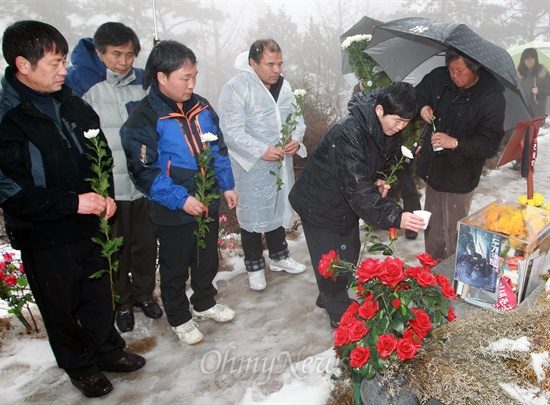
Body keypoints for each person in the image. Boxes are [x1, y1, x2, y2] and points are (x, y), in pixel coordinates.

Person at [0, 21, 145, 398]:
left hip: (90, 221)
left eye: (64, 60)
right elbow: (11, 190)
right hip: (45, 232)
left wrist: (106, 195)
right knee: (61, 304)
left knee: (97, 293)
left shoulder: (72, 104)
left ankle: (107, 350)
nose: (65, 70)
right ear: (23, 65)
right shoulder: (9, 118)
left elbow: (98, 157)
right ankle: (80, 366)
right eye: (55, 62)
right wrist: (72, 203)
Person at [121, 40, 237, 346]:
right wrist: (181, 199)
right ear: (162, 77)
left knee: (207, 257)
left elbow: (218, 149)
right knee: (174, 265)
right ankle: (179, 316)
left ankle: (204, 303)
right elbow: (144, 172)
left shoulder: (201, 106)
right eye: (184, 78)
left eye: (194, 76)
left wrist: (226, 185)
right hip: (172, 205)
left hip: (207, 196)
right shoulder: (143, 118)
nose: (192, 84)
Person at [288, 82, 425, 328]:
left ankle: (327, 295)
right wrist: (398, 216)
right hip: (319, 203)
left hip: (344, 203)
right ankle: (339, 314)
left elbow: (389, 158)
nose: (401, 127)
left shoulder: (390, 128)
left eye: (407, 122)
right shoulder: (348, 133)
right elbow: (359, 191)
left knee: (349, 252)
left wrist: (382, 178)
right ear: (380, 109)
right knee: (331, 262)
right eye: (398, 121)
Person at [66, 22, 161, 333]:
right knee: (116, 248)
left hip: (142, 184)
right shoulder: (87, 89)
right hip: (111, 188)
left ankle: (145, 295)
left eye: (130, 55)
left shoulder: (142, 85)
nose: (124, 62)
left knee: (145, 246)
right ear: (99, 52)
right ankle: (121, 302)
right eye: (116, 54)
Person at [217, 39, 307, 291]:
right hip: (252, 167)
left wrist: (295, 139)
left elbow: (297, 119)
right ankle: (254, 265)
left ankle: (279, 256)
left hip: (280, 162)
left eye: (279, 63)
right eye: (270, 64)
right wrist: (260, 150)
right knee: (253, 215)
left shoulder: (285, 87)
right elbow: (230, 130)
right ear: (252, 62)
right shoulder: (236, 88)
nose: (276, 70)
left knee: (278, 206)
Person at [415, 48, 505, 261]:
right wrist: (423, 107)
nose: (454, 75)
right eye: (451, 69)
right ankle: (432, 278)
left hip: (461, 174)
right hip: (433, 168)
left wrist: (455, 143)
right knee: (433, 229)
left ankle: (453, 279)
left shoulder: (491, 96)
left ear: (475, 68)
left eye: (459, 70)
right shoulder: (439, 78)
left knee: (455, 233)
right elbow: (417, 95)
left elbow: (490, 144)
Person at [511, 47, 550, 170]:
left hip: (537, 110)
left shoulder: (543, 72)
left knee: (532, 136)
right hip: (522, 109)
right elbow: (514, 90)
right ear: (522, 60)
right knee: (520, 135)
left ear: (535, 59)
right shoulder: (518, 73)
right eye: (526, 59)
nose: (529, 61)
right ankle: (519, 161)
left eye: (531, 58)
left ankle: (530, 161)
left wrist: (539, 91)